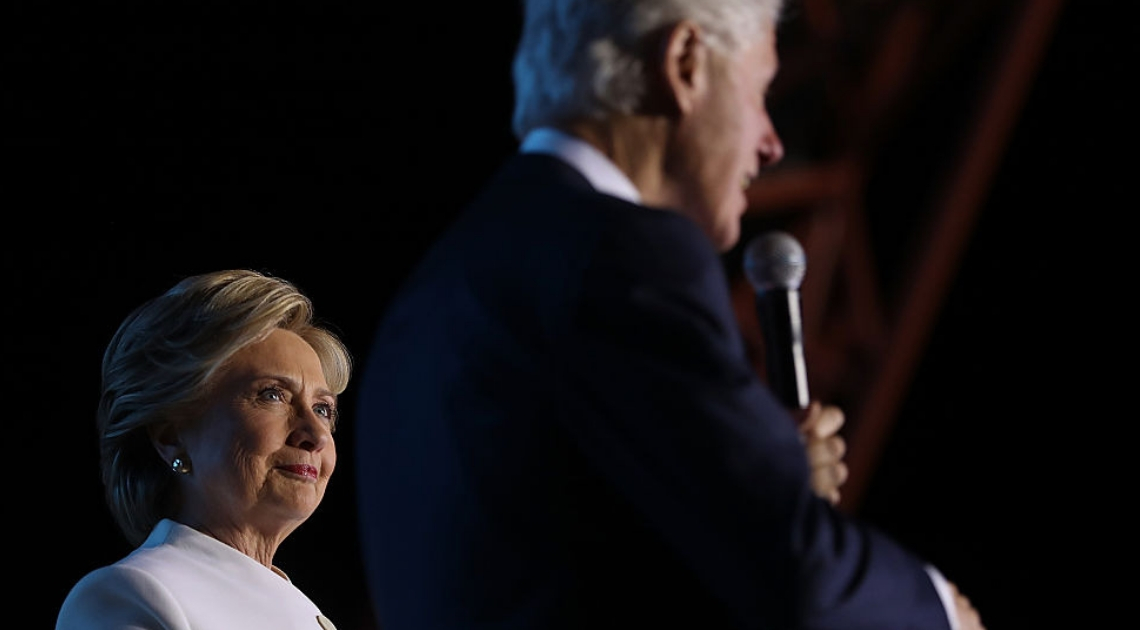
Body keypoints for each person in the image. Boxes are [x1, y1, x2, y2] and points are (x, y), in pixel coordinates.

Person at [353, 0, 987, 629]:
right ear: (685, 62)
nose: (770, 143)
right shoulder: (620, 251)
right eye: (760, 92)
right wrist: (941, 611)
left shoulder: (437, 287)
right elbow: (797, 578)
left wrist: (754, 470)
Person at [56, 269, 352, 630]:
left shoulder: (306, 611)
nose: (315, 434)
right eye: (271, 395)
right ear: (171, 437)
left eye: (323, 409)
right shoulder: (129, 596)